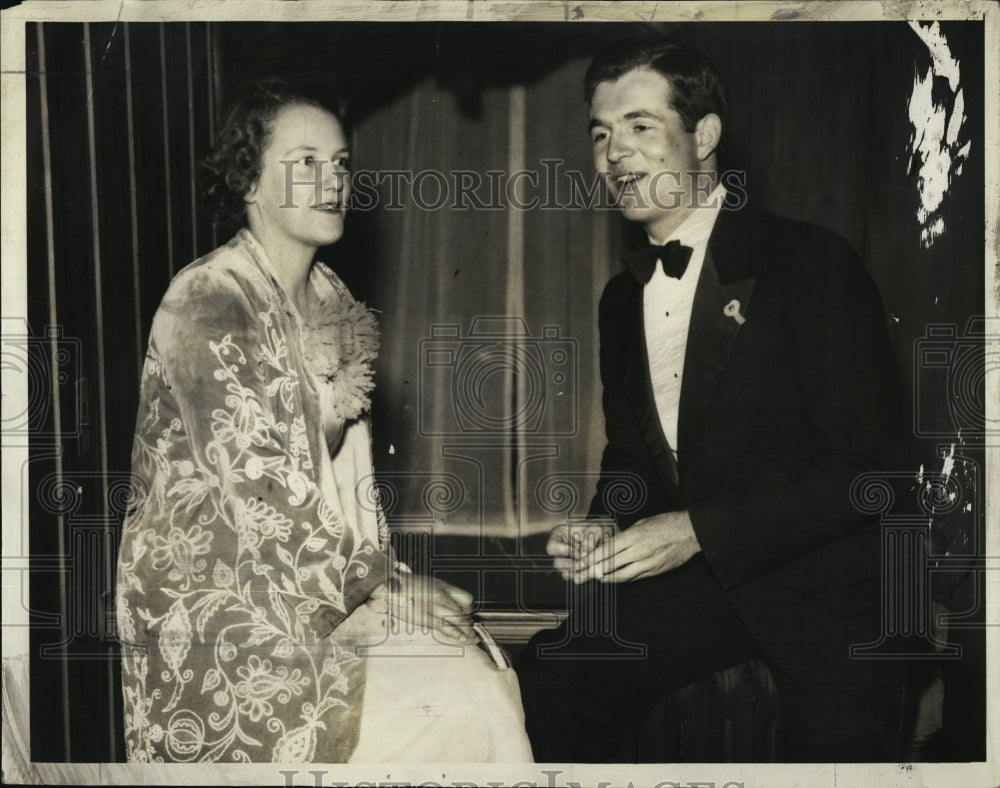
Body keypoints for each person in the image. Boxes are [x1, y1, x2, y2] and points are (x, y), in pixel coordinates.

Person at [115, 79, 532, 763]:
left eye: (339, 163)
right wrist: (388, 590)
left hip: (316, 582)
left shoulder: (329, 294)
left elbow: (346, 481)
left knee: (478, 664)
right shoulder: (206, 300)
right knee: (462, 699)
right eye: (304, 162)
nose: (332, 180)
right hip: (223, 608)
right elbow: (261, 499)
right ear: (249, 176)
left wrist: (386, 583)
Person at [516, 39, 907, 762]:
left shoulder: (812, 261)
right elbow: (635, 455)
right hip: (703, 590)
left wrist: (695, 530)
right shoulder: (620, 297)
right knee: (543, 685)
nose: (614, 155)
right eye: (600, 134)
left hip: (829, 591)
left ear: (705, 136)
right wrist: (606, 521)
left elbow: (869, 470)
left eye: (639, 126)